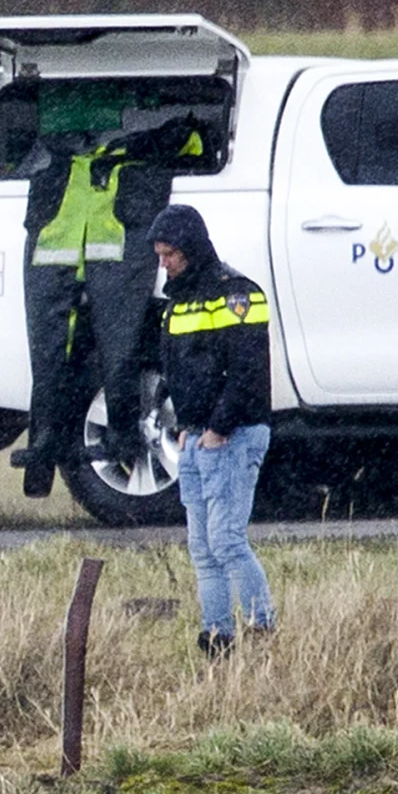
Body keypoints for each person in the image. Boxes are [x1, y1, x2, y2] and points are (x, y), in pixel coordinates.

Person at [19, 97, 211, 498]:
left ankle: (115, 441)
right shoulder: (71, 166)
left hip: (99, 253)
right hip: (94, 255)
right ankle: (46, 452)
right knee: (57, 353)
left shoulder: (77, 163)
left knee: (115, 348)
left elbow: (193, 142)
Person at [149, 202, 278, 657]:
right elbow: (177, 370)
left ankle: (263, 629)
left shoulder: (236, 293)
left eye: (170, 255)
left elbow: (246, 370)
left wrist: (219, 428)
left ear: (191, 248)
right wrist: (187, 427)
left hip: (233, 434)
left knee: (225, 539)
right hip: (198, 436)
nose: (164, 264)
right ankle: (217, 637)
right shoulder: (176, 302)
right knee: (203, 547)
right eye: (160, 256)